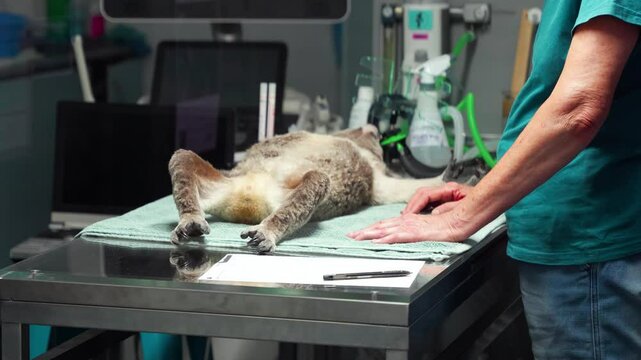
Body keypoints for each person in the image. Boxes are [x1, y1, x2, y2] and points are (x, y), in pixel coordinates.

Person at [348, 1, 641, 358]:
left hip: (590, 248)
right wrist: (486, 193)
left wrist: (463, 216)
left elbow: (579, 109)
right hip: (572, 243)